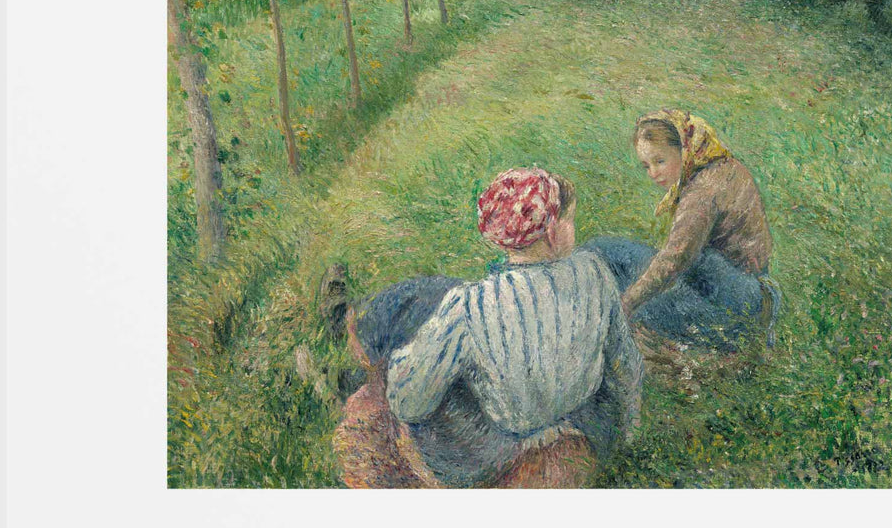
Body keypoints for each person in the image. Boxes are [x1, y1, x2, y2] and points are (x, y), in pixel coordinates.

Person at [333, 168, 643, 489]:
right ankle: (358, 332)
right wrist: (629, 428)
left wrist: (398, 373)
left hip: (499, 448)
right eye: (571, 221)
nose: (573, 228)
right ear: (552, 232)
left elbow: (411, 404)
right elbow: (625, 361)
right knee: (433, 302)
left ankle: (357, 345)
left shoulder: (470, 303)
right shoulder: (595, 271)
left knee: (423, 330)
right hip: (581, 422)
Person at [586, 109, 781, 354]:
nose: (654, 174)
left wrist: (626, 305)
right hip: (737, 282)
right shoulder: (722, 166)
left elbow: (674, 260)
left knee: (615, 276)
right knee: (607, 252)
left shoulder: (703, 191)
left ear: (684, 149)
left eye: (660, 161)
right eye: (646, 166)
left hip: (733, 301)